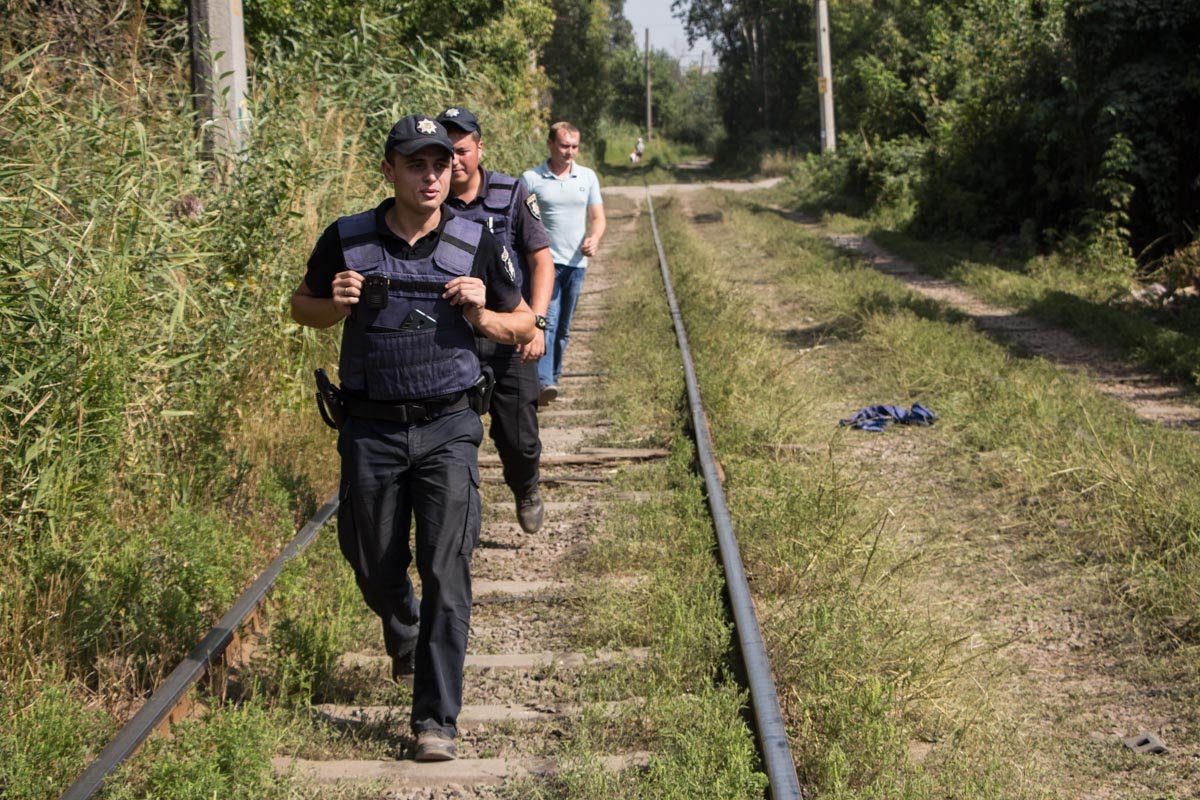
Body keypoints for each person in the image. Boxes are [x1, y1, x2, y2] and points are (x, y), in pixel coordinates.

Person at [290, 114, 534, 763]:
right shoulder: (346, 238)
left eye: (440, 164)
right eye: (416, 164)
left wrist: (484, 312)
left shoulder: (476, 236)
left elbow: (523, 323)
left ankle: (435, 721)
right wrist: (334, 303)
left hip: (450, 424)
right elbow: (300, 306)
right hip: (369, 426)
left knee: (446, 570)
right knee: (372, 560)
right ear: (389, 170)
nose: (432, 175)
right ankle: (402, 625)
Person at [437, 106, 553, 534]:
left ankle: (526, 487)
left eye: (461, 150)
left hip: (509, 335)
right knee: (450, 443)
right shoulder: (428, 201)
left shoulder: (512, 193)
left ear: (479, 148)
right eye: (445, 151)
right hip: (453, 342)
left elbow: (541, 261)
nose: (453, 160)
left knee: (519, 440)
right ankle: (458, 526)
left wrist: (536, 324)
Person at [521, 122, 606, 405]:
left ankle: (552, 377)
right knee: (549, 320)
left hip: (576, 264)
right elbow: (518, 221)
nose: (569, 152)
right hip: (545, 263)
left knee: (564, 327)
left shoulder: (587, 177)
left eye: (574, 147)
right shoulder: (531, 179)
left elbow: (598, 217)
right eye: (564, 146)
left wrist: (594, 238)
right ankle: (544, 381)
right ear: (550, 145)